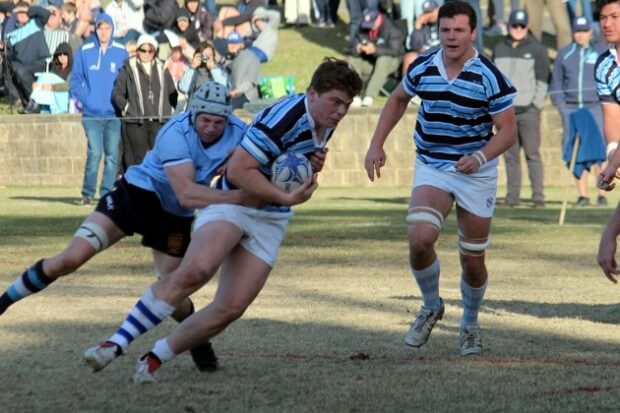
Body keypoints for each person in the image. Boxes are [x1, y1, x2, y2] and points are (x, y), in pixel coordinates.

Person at [82, 57, 363, 383]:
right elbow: (238, 170)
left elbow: (293, 159)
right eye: (336, 102)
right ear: (312, 93)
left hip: (271, 218)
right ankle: (114, 344)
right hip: (235, 202)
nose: (341, 111)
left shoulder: (326, 117)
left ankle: (156, 356)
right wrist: (286, 195)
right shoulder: (284, 119)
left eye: (347, 104)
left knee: (231, 307)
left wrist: (311, 162)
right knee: (196, 270)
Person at [0, 81, 253, 372]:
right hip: (137, 196)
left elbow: (265, 149)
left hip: (174, 217)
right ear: (192, 113)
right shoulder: (175, 132)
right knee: (68, 259)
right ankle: (3, 302)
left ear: (229, 119)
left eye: (218, 122)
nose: (211, 127)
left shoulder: (239, 133)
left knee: (174, 291)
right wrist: (240, 196)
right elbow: (187, 193)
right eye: (205, 120)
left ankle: (198, 342)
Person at [364, 1, 517, 356]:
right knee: (419, 238)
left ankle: (470, 325)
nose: (451, 37)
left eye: (459, 30)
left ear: (473, 33)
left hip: (476, 172)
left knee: (472, 261)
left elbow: (508, 131)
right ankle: (431, 305)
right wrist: (376, 144)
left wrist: (480, 156)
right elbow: (398, 99)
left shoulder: (488, 76)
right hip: (433, 165)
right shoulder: (423, 66)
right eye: (446, 30)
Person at [492, 9, 549, 208]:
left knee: (532, 155)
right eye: (514, 26)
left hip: (529, 112)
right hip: (506, 113)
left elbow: (543, 80)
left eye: (521, 26)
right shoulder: (499, 48)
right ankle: (512, 197)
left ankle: (538, 197)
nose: (518, 29)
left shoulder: (537, 49)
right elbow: (495, 80)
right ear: (509, 27)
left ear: (526, 27)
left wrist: (536, 105)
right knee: (510, 157)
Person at [70, 13, 128, 205]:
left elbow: (126, 81)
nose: (104, 32)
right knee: (95, 152)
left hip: (113, 114)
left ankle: (106, 193)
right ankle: (87, 193)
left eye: (107, 28)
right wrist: (88, 99)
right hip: (91, 114)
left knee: (112, 155)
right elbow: (76, 80)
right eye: (100, 28)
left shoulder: (121, 52)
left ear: (112, 29)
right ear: (96, 29)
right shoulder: (85, 51)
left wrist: (122, 103)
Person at [550, 16, 608, 207]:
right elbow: (556, 82)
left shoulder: (601, 52)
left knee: (601, 151)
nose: (581, 35)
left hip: (596, 108)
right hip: (572, 109)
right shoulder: (565, 54)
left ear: (591, 32)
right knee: (575, 152)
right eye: (578, 31)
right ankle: (582, 195)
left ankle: (602, 193)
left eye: (584, 31)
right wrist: (561, 106)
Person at [112, 33, 178, 170]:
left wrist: (169, 108)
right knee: (137, 161)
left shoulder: (162, 68)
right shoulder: (128, 68)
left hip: (158, 122)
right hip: (136, 123)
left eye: (150, 50)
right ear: (138, 50)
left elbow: (172, 93)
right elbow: (117, 94)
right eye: (143, 50)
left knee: (159, 160)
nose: (147, 54)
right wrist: (128, 108)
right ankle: (136, 189)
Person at [595, 0, 620, 280]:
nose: (607, 23)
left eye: (615, 16)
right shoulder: (604, 66)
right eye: (603, 17)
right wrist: (613, 155)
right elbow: (613, 116)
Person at [348, 6, 404, 108]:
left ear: (379, 18)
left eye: (372, 23)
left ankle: (369, 96)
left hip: (391, 62)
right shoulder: (363, 27)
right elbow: (350, 49)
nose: (369, 27)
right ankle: (354, 95)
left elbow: (395, 51)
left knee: (383, 59)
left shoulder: (392, 28)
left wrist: (375, 50)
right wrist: (357, 48)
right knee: (353, 60)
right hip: (371, 62)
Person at [4, 2, 50, 111]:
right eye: (19, 13)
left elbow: (46, 14)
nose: (21, 15)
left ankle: (35, 101)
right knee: (6, 68)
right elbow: (9, 52)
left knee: (20, 71)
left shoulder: (36, 23)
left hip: (39, 62)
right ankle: (22, 100)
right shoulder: (12, 31)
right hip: (21, 64)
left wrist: (26, 9)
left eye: (23, 12)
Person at [402, 0, 440, 78]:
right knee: (409, 57)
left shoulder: (444, 22)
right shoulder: (424, 25)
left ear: (438, 10)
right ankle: (406, 88)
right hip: (424, 54)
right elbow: (414, 46)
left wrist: (430, 51)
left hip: (440, 54)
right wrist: (417, 26)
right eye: (427, 13)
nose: (429, 15)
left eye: (431, 12)